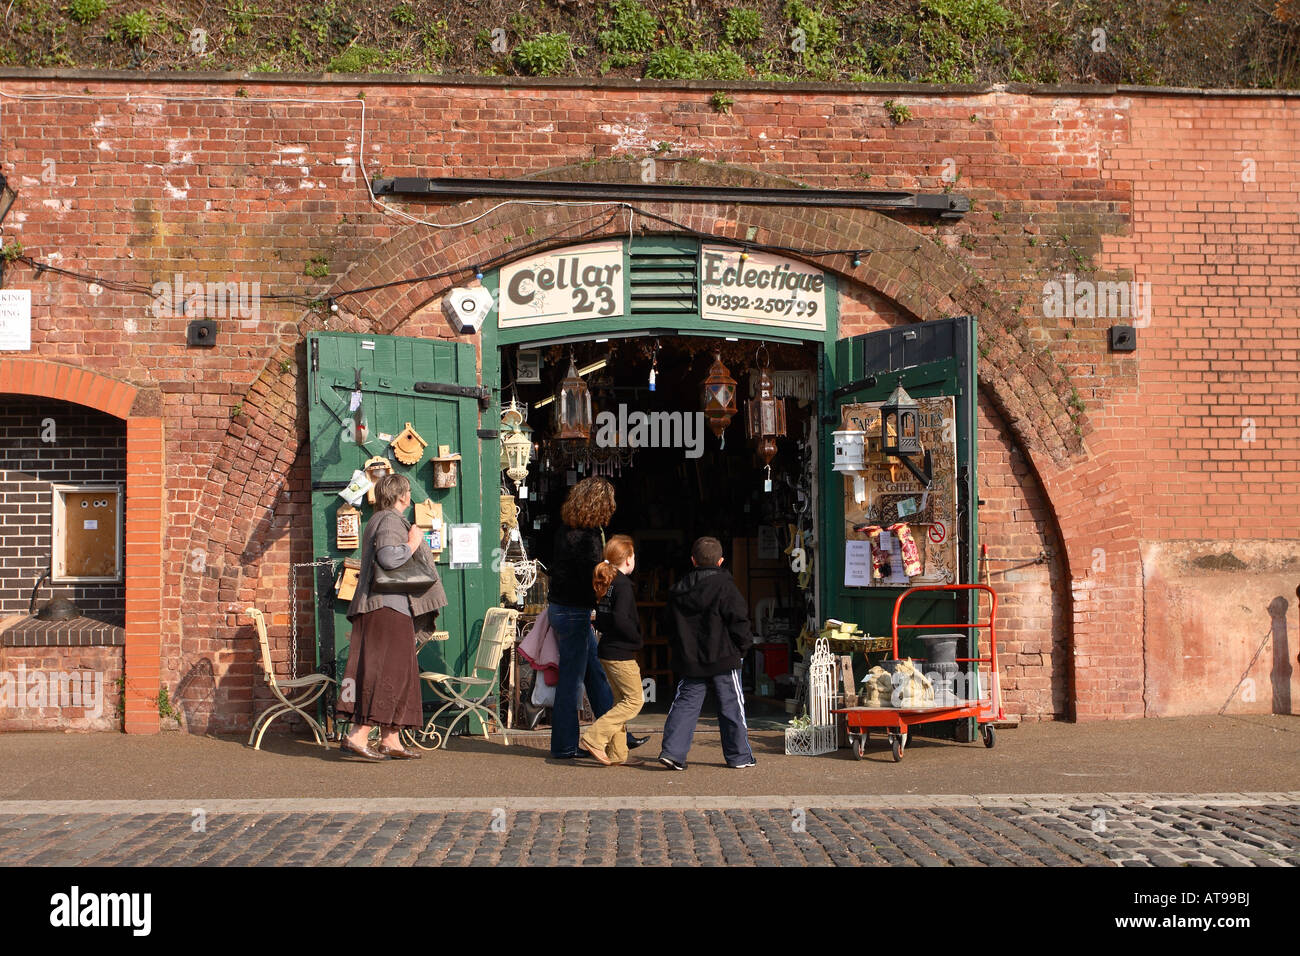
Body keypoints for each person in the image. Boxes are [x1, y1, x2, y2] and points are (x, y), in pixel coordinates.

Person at [337, 473, 447, 761]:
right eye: (408, 491)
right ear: (402, 496)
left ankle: (391, 739)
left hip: (392, 607)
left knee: (400, 673)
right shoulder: (388, 520)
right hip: (386, 608)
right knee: (385, 672)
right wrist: (413, 542)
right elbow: (388, 558)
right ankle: (358, 735)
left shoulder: (381, 518)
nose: (409, 496)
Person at [658, 535, 756, 770]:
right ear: (721, 561)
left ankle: (672, 752)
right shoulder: (726, 586)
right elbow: (739, 620)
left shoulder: (678, 589)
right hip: (724, 656)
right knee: (732, 706)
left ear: (693, 560)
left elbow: (667, 625)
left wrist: (679, 648)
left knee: (685, 704)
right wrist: (742, 648)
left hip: (690, 659)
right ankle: (739, 756)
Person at [580, 535, 644, 766]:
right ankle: (595, 738)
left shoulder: (608, 583)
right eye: (633, 555)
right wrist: (637, 638)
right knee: (634, 701)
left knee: (620, 703)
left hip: (607, 648)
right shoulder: (624, 586)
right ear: (627, 559)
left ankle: (618, 754)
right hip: (621, 651)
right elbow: (620, 619)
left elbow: (602, 618)